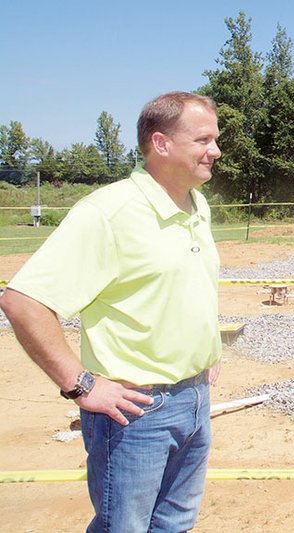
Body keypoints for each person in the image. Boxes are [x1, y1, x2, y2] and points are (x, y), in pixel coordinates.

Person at [0, 91, 223, 532]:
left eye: (215, 140)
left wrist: (204, 354)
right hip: (135, 414)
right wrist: (80, 385)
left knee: (174, 524)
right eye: (203, 140)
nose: (215, 150)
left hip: (194, 399)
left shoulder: (197, 206)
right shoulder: (109, 212)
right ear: (160, 144)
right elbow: (22, 300)